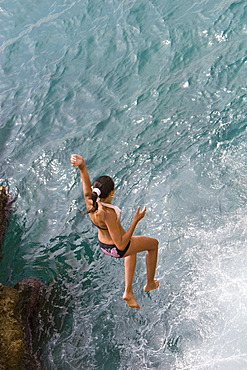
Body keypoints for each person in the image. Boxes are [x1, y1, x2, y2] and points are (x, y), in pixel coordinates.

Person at [70, 154, 159, 309]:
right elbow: (121, 242)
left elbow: (85, 182)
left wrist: (82, 166)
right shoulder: (107, 213)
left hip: (104, 245)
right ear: (111, 193)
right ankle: (150, 283)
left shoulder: (90, 201)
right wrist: (136, 220)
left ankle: (128, 292)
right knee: (153, 244)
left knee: (133, 250)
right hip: (117, 248)